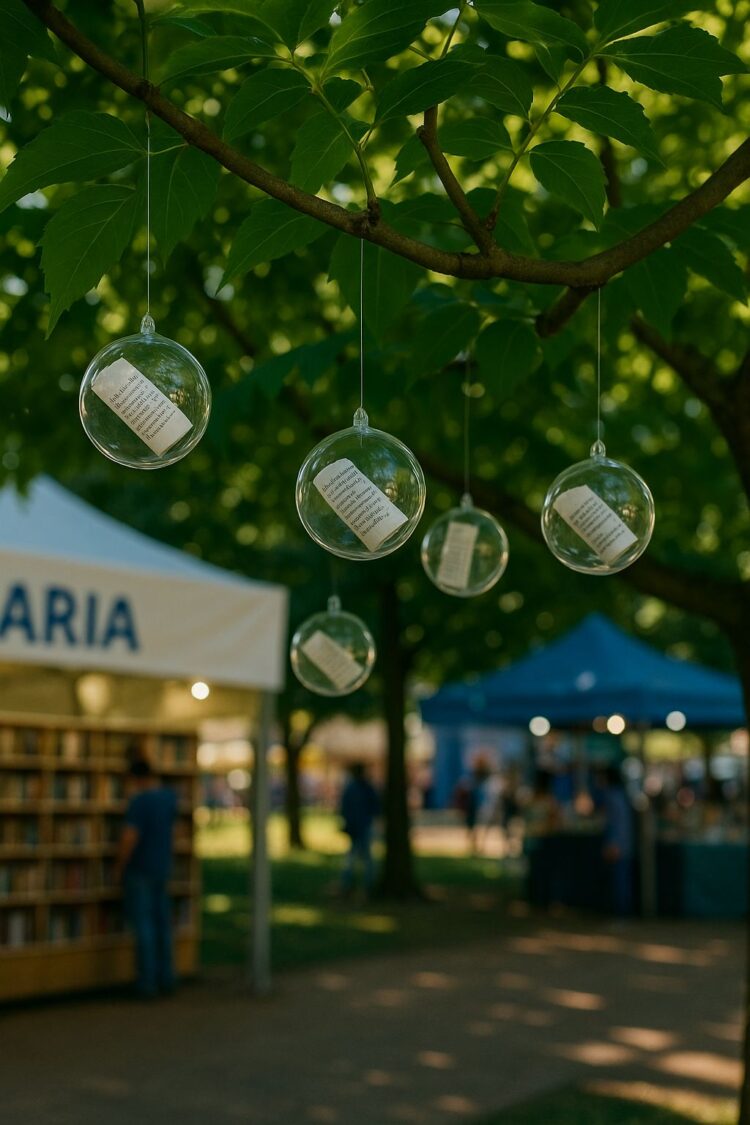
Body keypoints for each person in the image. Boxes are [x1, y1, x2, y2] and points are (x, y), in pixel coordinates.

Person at [116, 759, 177, 998]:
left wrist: (119, 866)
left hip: (140, 869)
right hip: (162, 867)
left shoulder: (139, 802)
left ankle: (147, 982)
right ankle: (167, 976)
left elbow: (130, 837)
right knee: (162, 924)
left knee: (144, 927)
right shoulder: (168, 798)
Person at [339, 763, 379, 896]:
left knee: (354, 856)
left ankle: (349, 883)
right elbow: (375, 806)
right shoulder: (365, 787)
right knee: (365, 857)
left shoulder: (351, 788)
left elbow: (344, 808)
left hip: (357, 826)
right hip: (363, 826)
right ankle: (365, 884)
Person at [600, 764, 635, 917]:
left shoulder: (612, 796)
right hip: (623, 844)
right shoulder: (620, 795)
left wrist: (614, 844)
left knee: (620, 881)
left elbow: (617, 823)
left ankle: (621, 914)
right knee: (621, 880)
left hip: (619, 846)